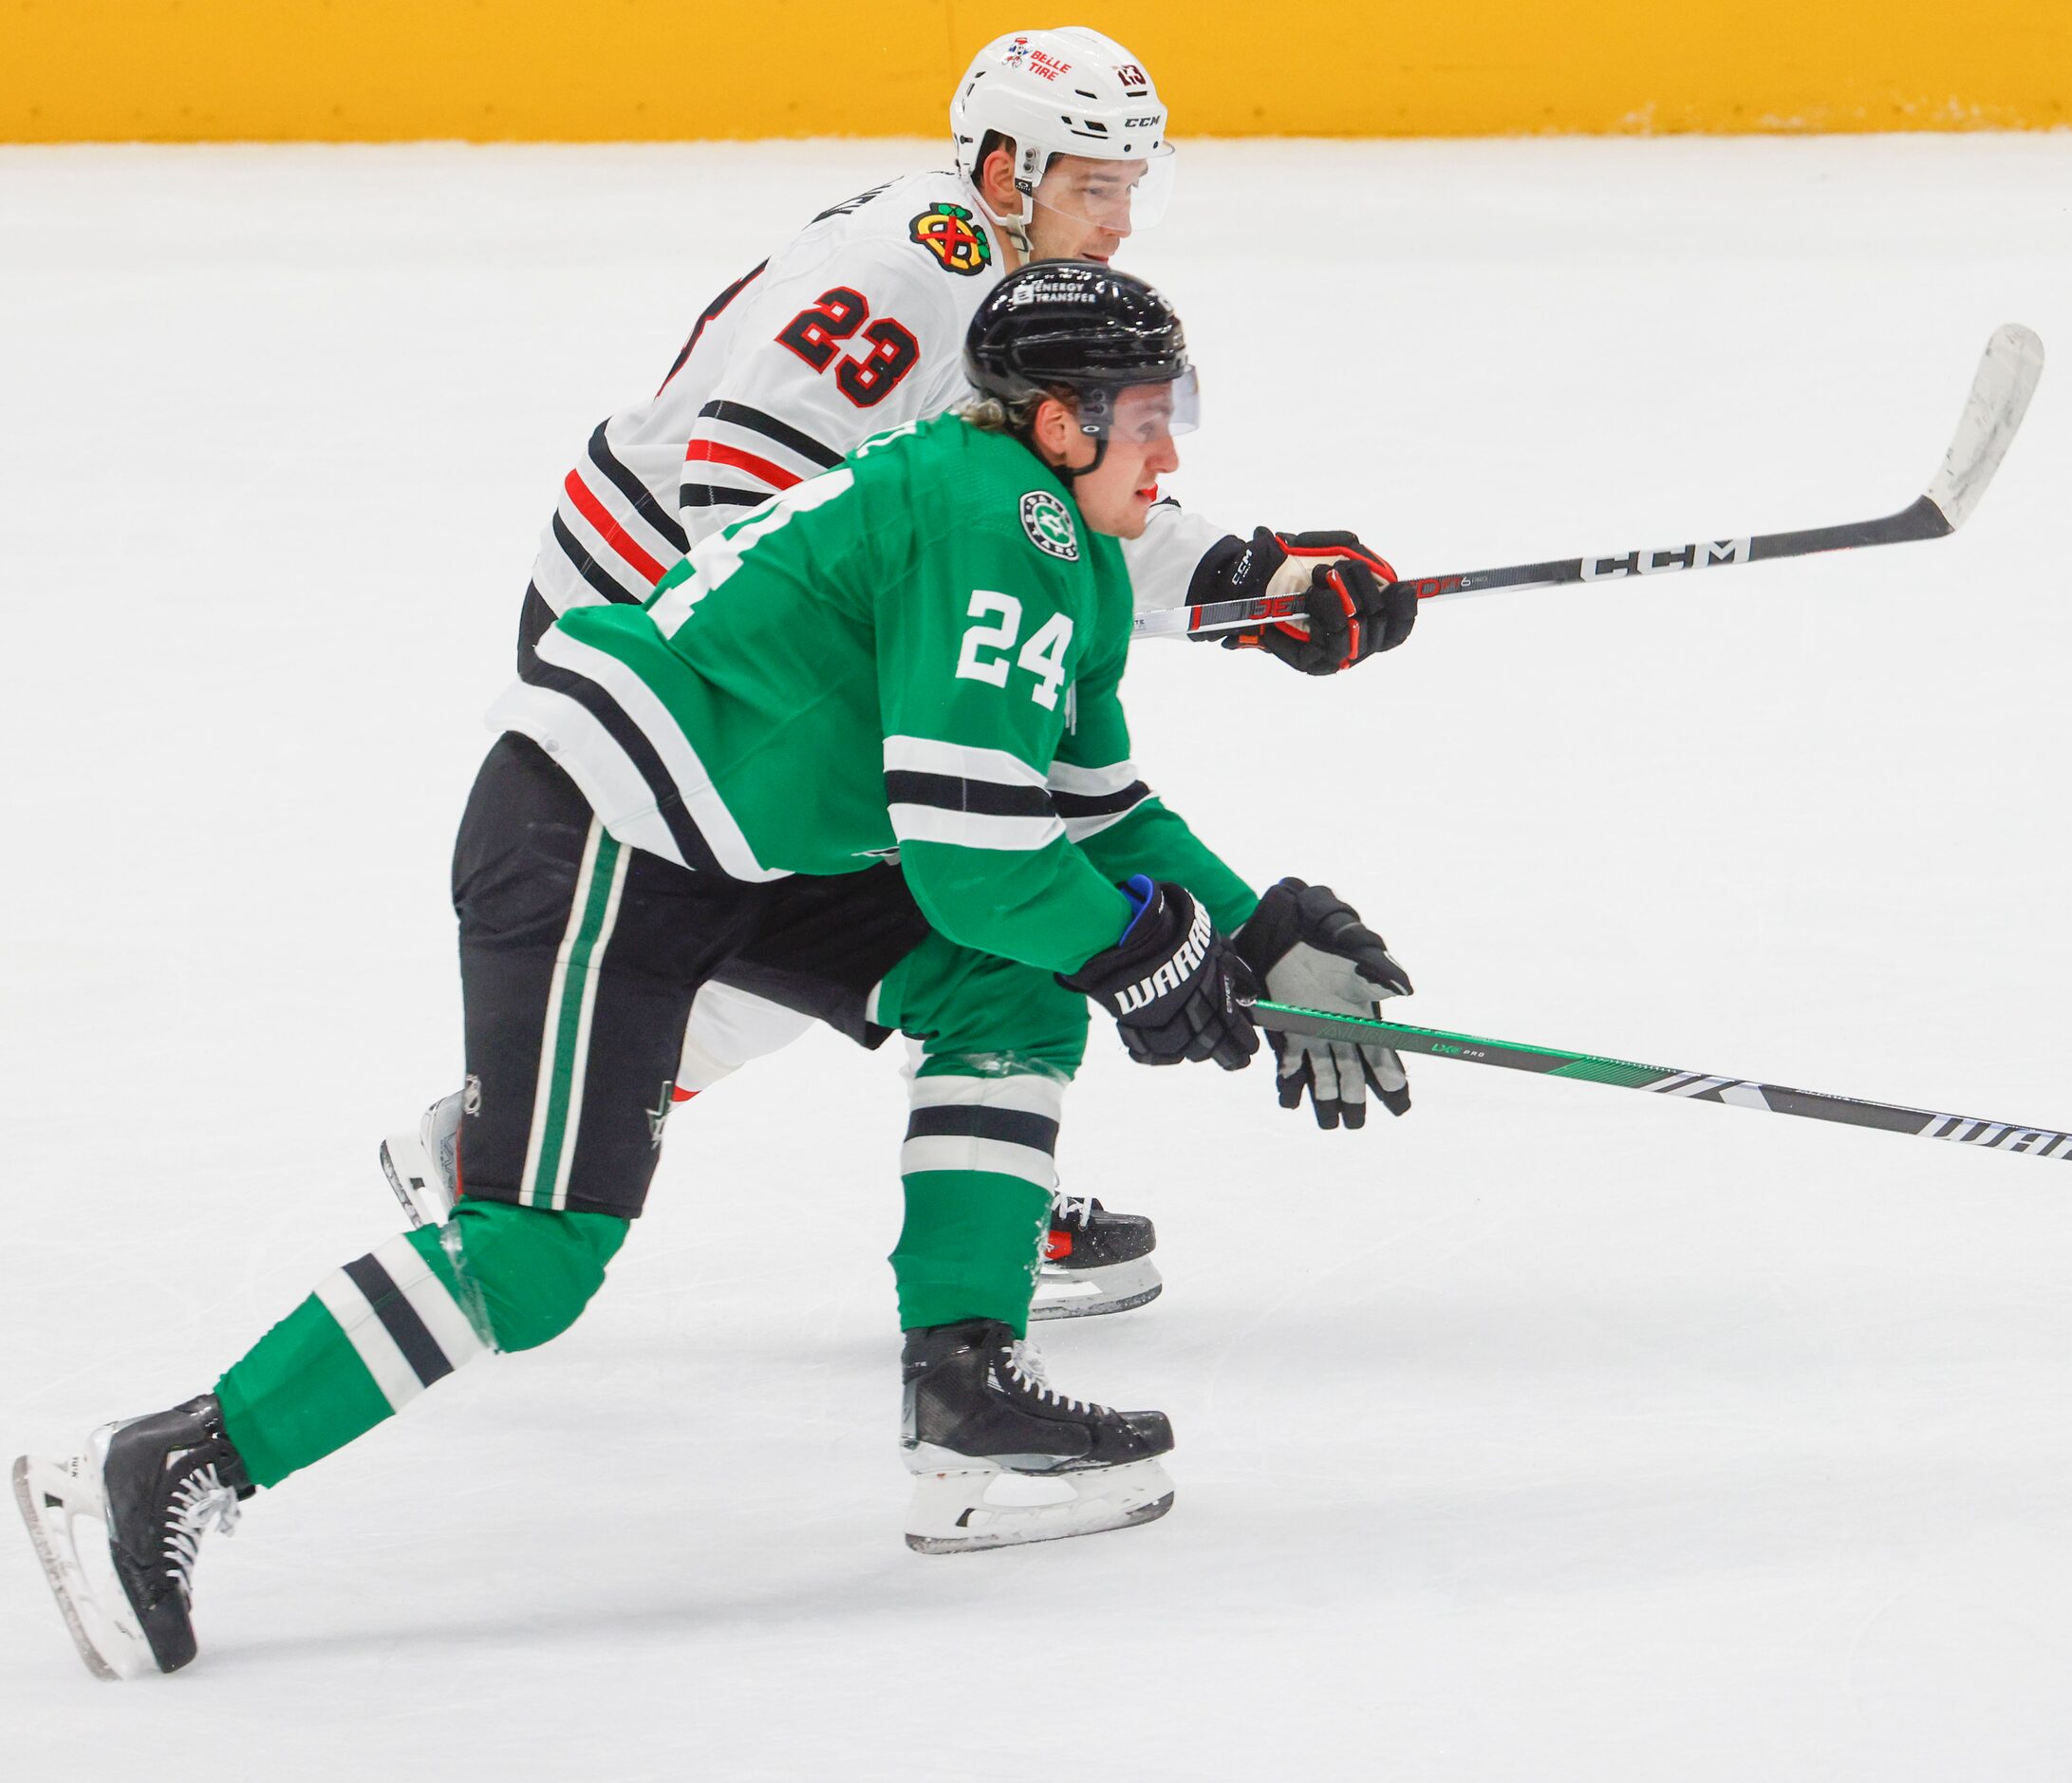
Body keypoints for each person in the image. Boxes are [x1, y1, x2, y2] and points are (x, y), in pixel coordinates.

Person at [13, 263, 1414, 1681]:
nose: (1172, 451)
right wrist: (1137, 947)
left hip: (744, 844)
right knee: (537, 1254)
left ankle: (966, 1396)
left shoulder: (1059, 540)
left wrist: (1251, 930)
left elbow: (1092, 807)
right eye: (1146, 415)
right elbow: (976, 860)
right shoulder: (1001, 522)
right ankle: (163, 1462)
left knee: (1007, 987)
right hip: (604, 833)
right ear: (1059, 422)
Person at [376, 26, 1417, 1323]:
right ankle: (517, 1140)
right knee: (916, 898)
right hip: (653, 634)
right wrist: (898, 697)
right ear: (1000, 167)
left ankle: (512, 1129)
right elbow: (741, 498)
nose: (1121, 222)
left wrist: (1255, 583)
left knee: (868, 930)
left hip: (708, 628)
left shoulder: (1006, 283)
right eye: (1095, 186)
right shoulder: (915, 271)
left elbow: (1023, 518)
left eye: (1133, 187)